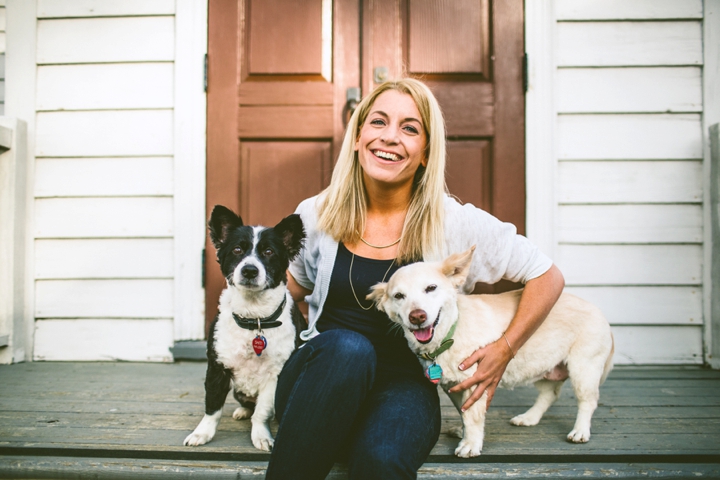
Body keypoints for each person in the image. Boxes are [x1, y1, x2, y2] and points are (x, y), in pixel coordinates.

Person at [264, 78, 565, 480]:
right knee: (350, 348)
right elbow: (294, 286)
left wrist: (504, 349)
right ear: (357, 137)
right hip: (322, 380)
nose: (390, 137)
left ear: (425, 152)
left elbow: (547, 275)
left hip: (405, 384)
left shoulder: (454, 221)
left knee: (383, 458)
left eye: (409, 128)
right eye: (378, 122)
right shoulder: (317, 213)